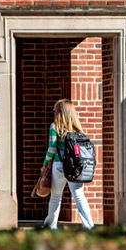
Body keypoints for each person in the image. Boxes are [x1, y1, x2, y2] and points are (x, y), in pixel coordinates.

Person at [40, 98, 95, 229]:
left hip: (59, 166)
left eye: (54, 110)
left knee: (55, 197)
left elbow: (52, 149)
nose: (53, 112)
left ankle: (50, 226)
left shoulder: (55, 126)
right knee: (79, 196)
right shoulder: (77, 129)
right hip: (74, 167)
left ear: (59, 112)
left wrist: (45, 163)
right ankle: (89, 226)